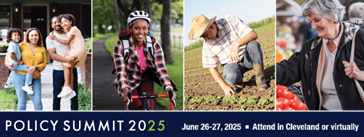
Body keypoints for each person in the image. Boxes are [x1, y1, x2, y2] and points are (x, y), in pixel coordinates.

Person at [276, 0, 364, 111]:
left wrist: (361, 75)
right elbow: (289, 69)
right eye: (311, 21)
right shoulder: (311, 47)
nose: (313, 26)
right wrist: (265, 72)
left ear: (334, 16)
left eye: (317, 20)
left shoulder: (358, 38)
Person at [188, 14, 268, 97]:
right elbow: (212, 68)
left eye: (206, 35)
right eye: (202, 37)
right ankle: (239, 84)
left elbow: (253, 34)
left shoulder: (230, 21)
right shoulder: (207, 45)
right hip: (232, 65)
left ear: (211, 27)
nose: (206, 39)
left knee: (253, 45)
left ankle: (260, 80)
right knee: (230, 75)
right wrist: (224, 86)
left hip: (248, 58)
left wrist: (237, 44)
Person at [113, 10, 177, 111]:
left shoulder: (154, 45)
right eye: (136, 28)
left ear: (148, 29)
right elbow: (121, 71)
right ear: (130, 28)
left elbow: (161, 68)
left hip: (146, 76)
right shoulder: (121, 46)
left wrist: (168, 87)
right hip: (129, 78)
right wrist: (125, 89)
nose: (141, 32)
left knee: (149, 107)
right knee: (135, 106)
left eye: (144, 28)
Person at [5, 28, 47, 111]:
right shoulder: (21, 45)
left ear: (39, 37)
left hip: (35, 77)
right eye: (31, 35)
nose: (34, 37)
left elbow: (43, 64)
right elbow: (9, 55)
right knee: (22, 101)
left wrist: (35, 67)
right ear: (28, 37)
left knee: (37, 101)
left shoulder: (42, 49)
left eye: (36, 35)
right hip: (18, 76)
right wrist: (8, 64)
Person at [49, 13, 87, 101]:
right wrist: (53, 33)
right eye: (62, 23)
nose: (64, 24)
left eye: (66, 21)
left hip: (78, 50)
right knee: (70, 68)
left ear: (70, 22)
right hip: (76, 50)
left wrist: (55, 38)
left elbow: (67, 42)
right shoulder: (68, 31)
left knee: (66, 64)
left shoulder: (73, 29)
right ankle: (71, 90)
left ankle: (66, 87)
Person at [46, 16, 79, 111]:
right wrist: (68, 60)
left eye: (58, 22)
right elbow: (52, 55)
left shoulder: (69, 34)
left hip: (72, 68)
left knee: (74, 96)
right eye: (54, 22)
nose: (57, 24)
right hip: (58, 70)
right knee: (56, 97)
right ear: (52, 25)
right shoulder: (50, 38)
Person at [4, 28, 34, 95]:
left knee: (13, 70)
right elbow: (11, 54)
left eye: (18, 35)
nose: (17, 37)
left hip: (14, 64)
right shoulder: (13, 45)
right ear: (10, 37)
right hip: (16, 64)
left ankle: (8, 83)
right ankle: (27, 85)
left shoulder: (16, 44)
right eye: (15, 35)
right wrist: (18, 61)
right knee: (30, 69)